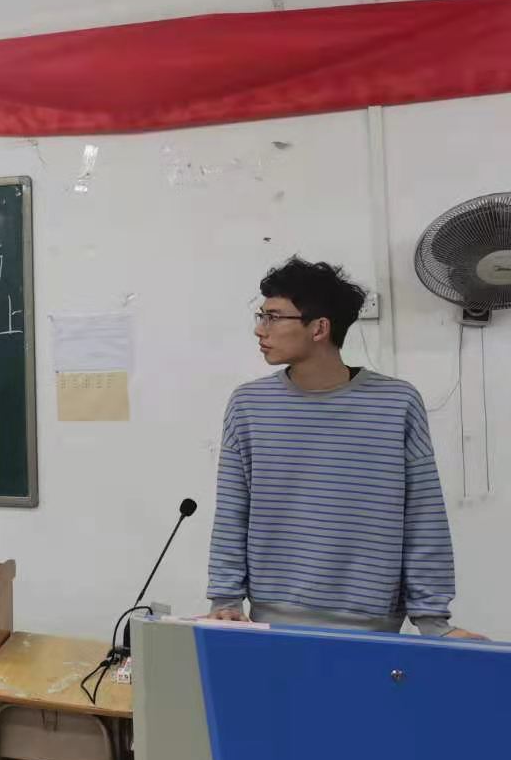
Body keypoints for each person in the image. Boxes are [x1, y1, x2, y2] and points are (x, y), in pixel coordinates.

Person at [207, 257, 483, 638]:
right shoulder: (249, 405)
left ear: (319, 328)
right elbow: (232, 510)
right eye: (261, 316)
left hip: (373, 628)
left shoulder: (397, 403)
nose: (260, 329)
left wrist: (434, 622)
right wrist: (225, 601)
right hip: (273, 625)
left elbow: (423, 515)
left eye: (273, 317)